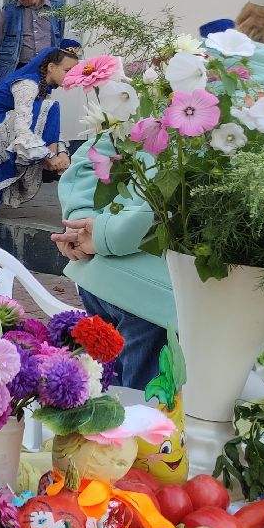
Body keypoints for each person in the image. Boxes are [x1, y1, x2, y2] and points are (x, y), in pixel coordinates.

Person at [51, 140, 174, 390]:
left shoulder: (146, 104)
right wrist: (90, 230)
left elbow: (92, 155)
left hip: (101, 275)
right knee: (142, 412)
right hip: (150, 295)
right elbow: (168, 200)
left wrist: (82, 222)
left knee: (106, 397)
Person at [0, 44, 78, 240]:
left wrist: (58, 151)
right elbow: (22, 126)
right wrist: (46, 155)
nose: (71, 76)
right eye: (68, 71)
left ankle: (54, 157)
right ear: (51, 67)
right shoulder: (28, 85)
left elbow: (40, 121)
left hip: (5, 126)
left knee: (50, 107)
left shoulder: (41, 87)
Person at [0, 0, 66, 90]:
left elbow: (59, 38)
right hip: (15, 70)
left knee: (38, 107)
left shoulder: (56, 8)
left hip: (44, 72)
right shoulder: (9, 11)